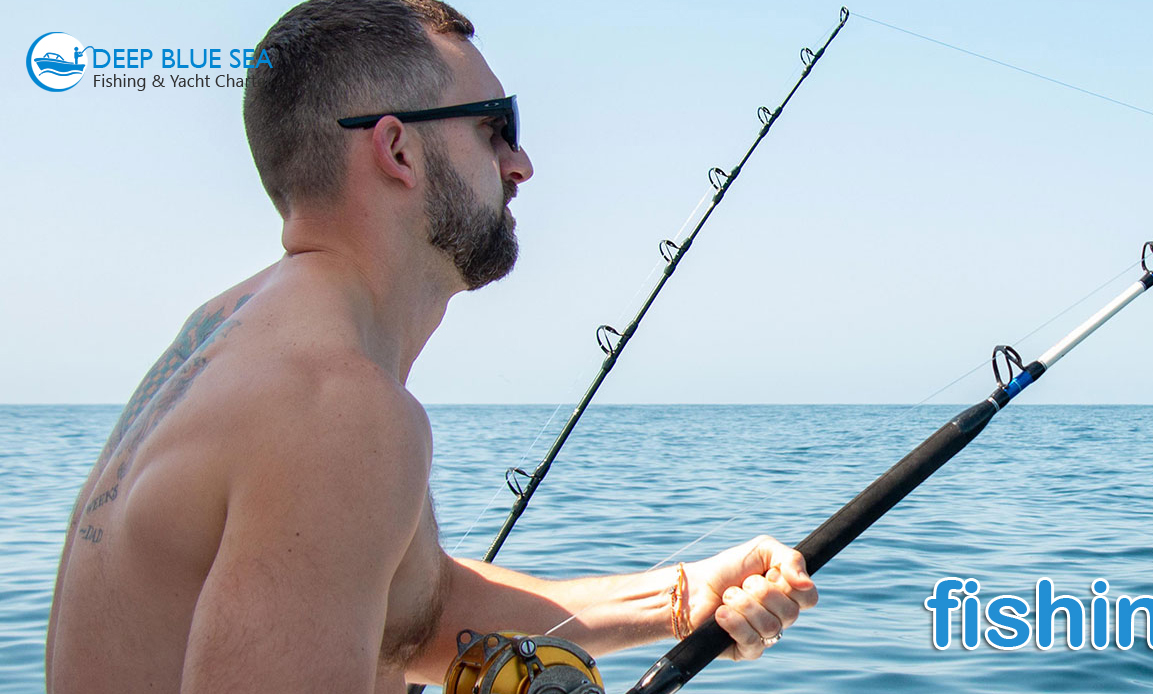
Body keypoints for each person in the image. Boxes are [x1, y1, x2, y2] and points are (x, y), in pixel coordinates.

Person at [44, 1, 817, 691]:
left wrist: (680, 598)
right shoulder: (333, 409)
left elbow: (414, 611)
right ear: (398, 151)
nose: (520, 163)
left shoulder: (230, 337)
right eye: (493, 127)